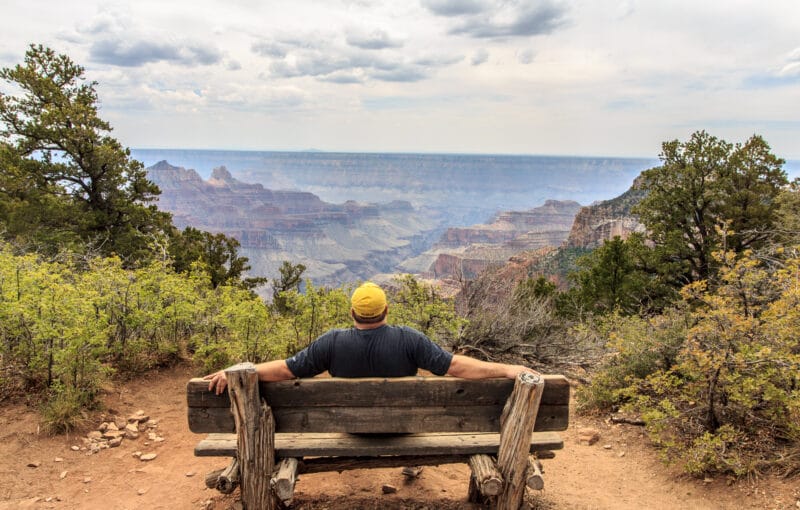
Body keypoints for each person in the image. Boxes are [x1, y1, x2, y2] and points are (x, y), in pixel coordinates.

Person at [205, 282, 538, 395]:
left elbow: (285, 371)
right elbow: (457, 367)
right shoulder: (410, 339)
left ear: (352, 313)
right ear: (386, 310)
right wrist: (507, 368)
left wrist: (241, 369)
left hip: (346, 427)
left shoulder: (331, 342)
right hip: (403, 427)